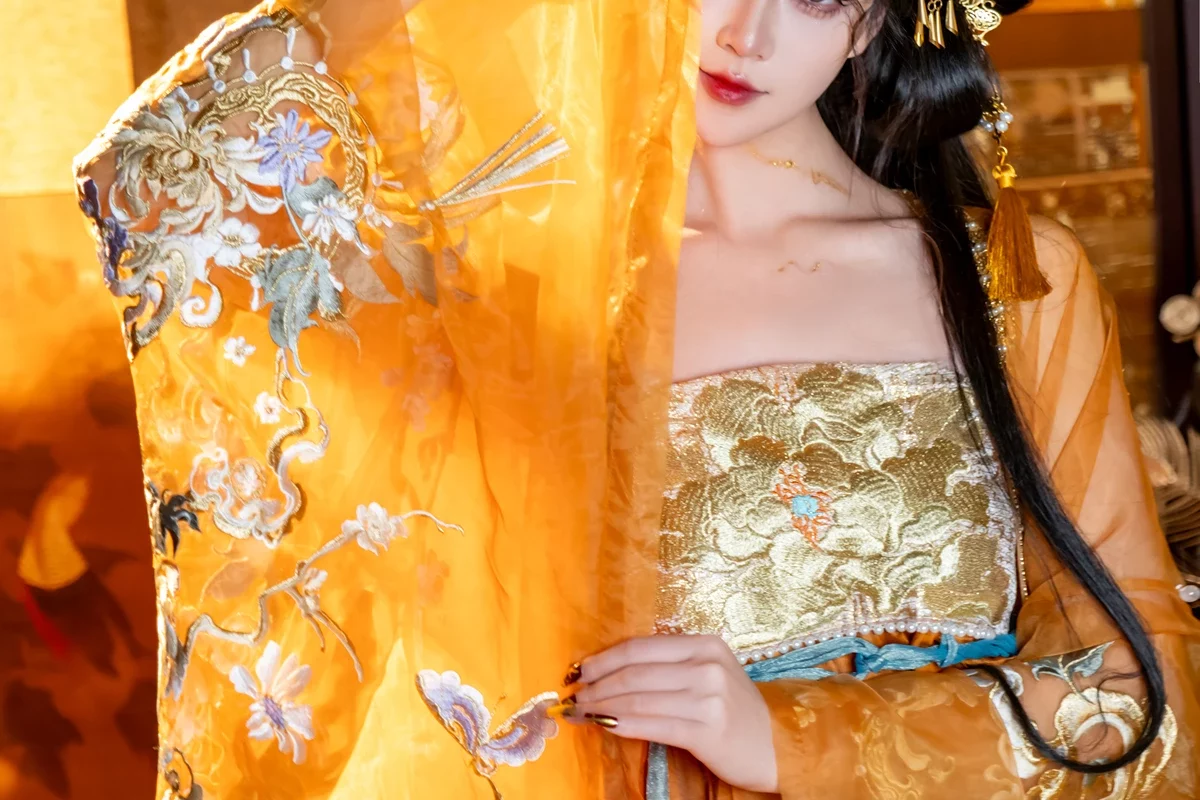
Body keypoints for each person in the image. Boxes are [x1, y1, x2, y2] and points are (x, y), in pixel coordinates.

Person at [73, 0, 1199, 797]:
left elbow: (1146, 698)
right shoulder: (519, 304)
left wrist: (791, 739)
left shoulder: (1011, 280)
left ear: (874, 21)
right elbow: (146, 183)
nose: (748, 35)